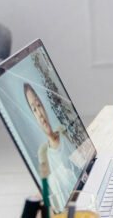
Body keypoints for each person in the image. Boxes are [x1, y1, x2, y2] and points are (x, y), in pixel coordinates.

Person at [24, 82, 79, 211]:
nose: (40, 114)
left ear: (44, 106)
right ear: (33, 116)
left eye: (39, 105)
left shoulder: (62, 131)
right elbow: (49, 196)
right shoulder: (43, 153)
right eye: (34, 109)